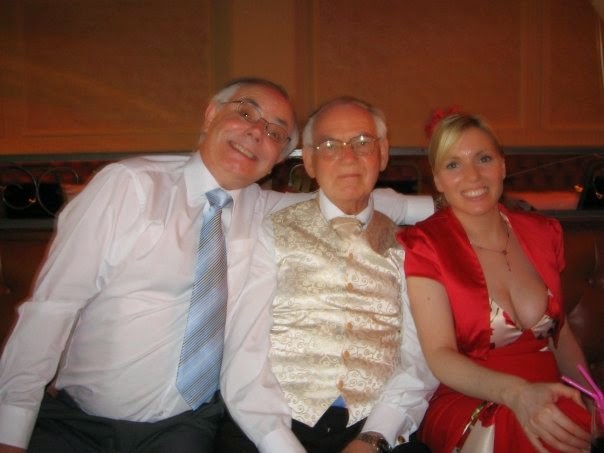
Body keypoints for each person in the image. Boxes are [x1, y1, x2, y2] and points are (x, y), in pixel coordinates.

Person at [0, 79, 434, 453]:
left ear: (281, 157)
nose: (256, 133)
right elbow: (52, 308)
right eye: (245, 113)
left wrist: (450, 206)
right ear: (210, 115)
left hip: (185, 428)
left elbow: (349, 194)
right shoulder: (130, 187)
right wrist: (10, 429)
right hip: (78, 421)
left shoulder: (262, 208)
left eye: (275, 132)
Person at [220, 97, 437, 453]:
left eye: (362, 142)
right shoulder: (269, 233)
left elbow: (418, 359)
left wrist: (374, 437)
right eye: (330, 146)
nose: (348, 157)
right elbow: (244, 352)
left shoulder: (410, 246)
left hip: (373, 425)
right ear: (308, 160)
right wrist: (282, 445)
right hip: (274, 422)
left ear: (382, 153)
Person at [397, 112, 592, 453]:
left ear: (502, 165)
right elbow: (439, 355)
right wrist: (517, 394)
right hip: (472, 397)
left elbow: (561, 336)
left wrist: (591, 396)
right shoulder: (426, 244)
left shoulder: (544, 232)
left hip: (549, 394)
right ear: (438, 180)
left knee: (573, 421)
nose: (473, 175)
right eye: (453, 164)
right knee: (530, 432)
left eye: (483, 159)